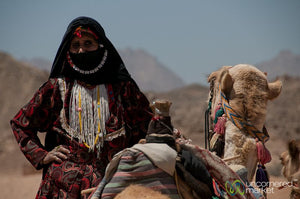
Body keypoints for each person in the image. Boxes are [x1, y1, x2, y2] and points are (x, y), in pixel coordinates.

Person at [10, 16, 152, 199]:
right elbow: (21, 124)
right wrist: (42, 155)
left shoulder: (123, 89)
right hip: (61, 189)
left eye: (88, 43)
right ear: (67, 50)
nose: (81, 49)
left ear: (100, 46)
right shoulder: (56, 89)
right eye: (75, 45)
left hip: (113, 187)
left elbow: (147, 126)